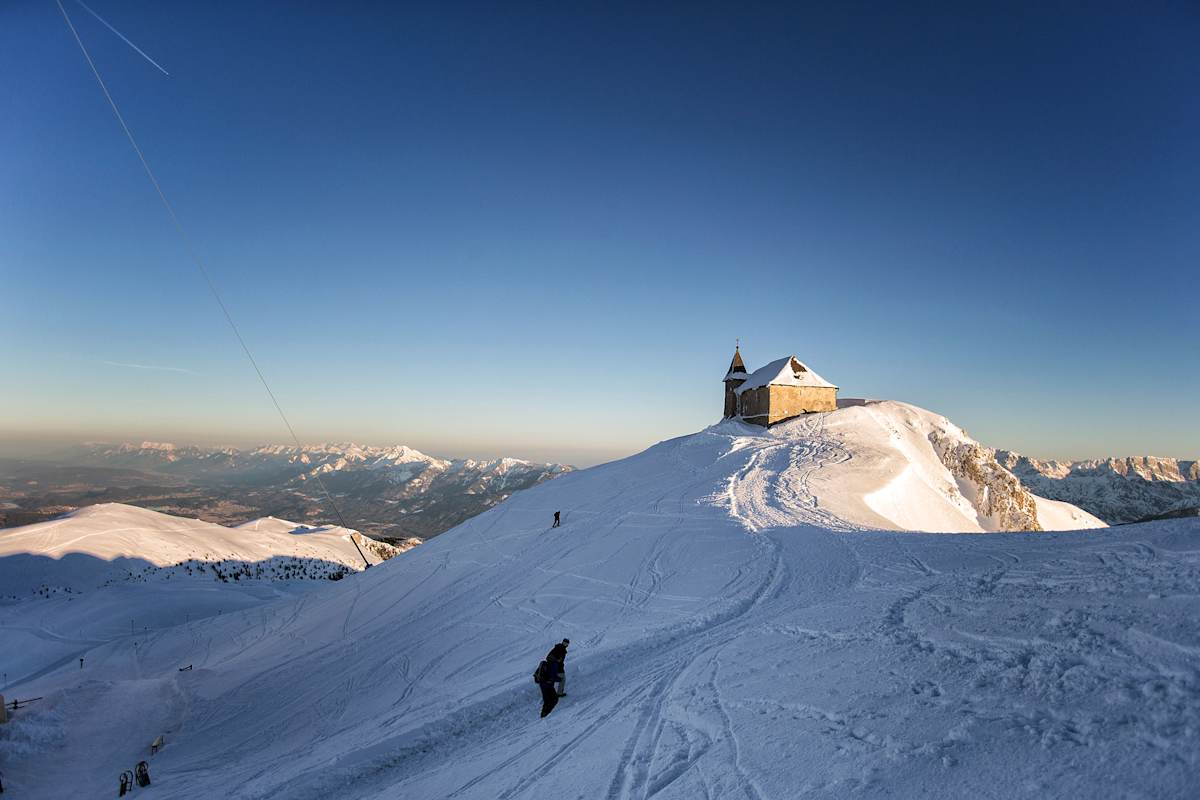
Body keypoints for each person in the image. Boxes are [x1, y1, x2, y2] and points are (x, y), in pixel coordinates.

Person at [537, 652, 564, 718]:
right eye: (560, 658)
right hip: (548, 684)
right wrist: (559, 679)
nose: (561, 660)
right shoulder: (554, 664)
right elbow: (552, 676)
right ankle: (546, 714)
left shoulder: (546, 662)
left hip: (542, 683)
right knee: (554, 699)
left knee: (547, 700)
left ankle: (543, 714)